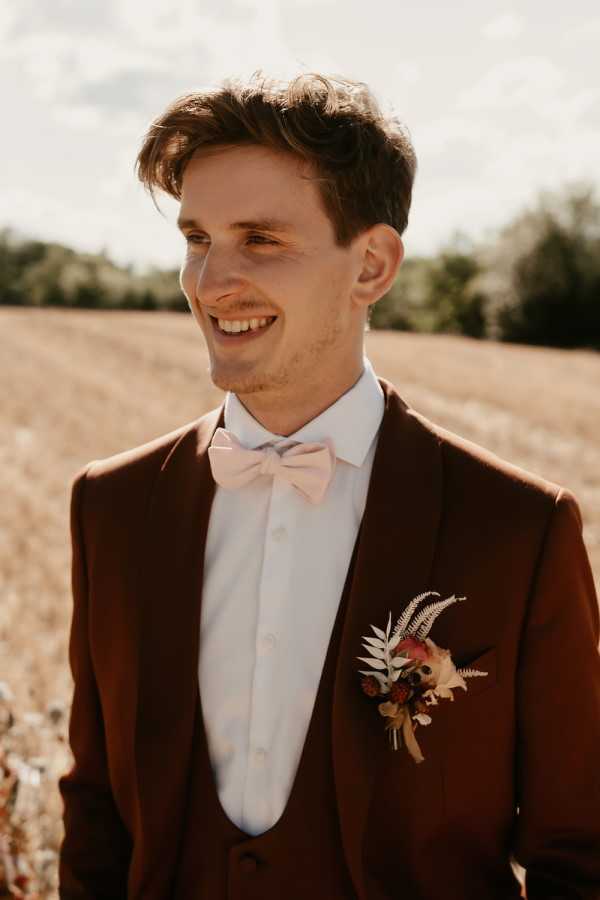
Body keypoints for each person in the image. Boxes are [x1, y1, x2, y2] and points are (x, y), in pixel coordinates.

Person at [58, 72, 600, 900]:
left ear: (372, 265)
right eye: (197, 238)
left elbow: (580, 854)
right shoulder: (112, 506)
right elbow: (96, 816)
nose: (209, 282)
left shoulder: (519, 530)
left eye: (261, 240)